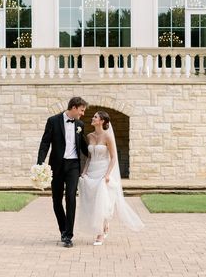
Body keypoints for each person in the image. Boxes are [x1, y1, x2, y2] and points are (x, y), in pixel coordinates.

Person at [78, 111, 144, 245]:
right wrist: (84, 171)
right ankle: (105, 225)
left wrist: (108, 174)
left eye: (95, 117)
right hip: (92, 171)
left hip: (103, 171)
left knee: (101, 202)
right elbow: (89, 157)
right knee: (92, 202)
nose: (92, 118)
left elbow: (113, 158)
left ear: (102, 121)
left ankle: (100, 234)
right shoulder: (90, 136)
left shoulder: (108, 136)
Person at [37, 96, 88, 248]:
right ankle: (63, 228)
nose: (83, 114)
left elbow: (84, 147)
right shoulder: (52, 121)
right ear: (74, 108)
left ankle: (68, 235)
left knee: (71, 197)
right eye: (82, 110)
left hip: (73, 166)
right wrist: (40, 163)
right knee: (56, 200)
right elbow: (45, 143)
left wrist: (101, 151)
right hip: (57, 166)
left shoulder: (80, 124)